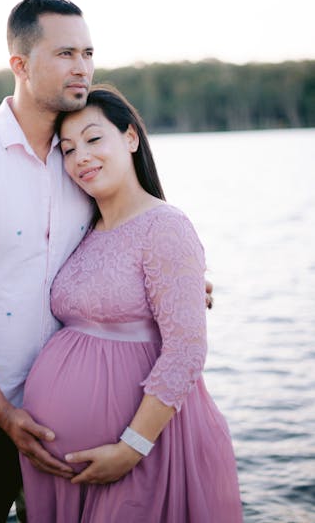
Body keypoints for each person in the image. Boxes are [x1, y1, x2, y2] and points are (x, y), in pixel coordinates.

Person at [0, 0, 213, 522]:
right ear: (20, 65)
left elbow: (136, 244)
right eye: (66, 53)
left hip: (70, 428)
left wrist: (186, 287)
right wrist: (5, 416)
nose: (83, 67)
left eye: (89, 53)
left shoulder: (80, 164)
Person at [20, 85, 243, 522]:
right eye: (67, 149)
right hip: (57, 465)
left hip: (141, 452)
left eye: (93, 138)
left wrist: (131, 448)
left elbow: (186, 351)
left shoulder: (165, 226)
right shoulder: (82, 229)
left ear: (130, 138)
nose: (80, 156)